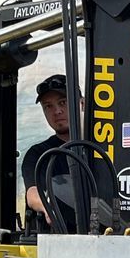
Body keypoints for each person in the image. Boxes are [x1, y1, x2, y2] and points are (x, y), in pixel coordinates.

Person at [21, 74, 115, 232]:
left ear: (82, 103)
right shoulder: (39, 154)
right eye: (48, 106)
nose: (57, 111)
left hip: (106, 239)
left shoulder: (101, 151)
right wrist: (46, 206)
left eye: (63, 102)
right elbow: (32, 193)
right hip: (56, 242)